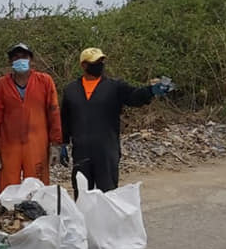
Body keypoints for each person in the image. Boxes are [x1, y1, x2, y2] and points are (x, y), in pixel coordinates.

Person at [61, 47, 172, 195]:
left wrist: (150, 91)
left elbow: (134, 96)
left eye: (101, 61)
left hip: (106, 151)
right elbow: (65, 119)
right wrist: (62, 143)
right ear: (84, 65)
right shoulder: (71, 90)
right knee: (82, 194)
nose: (99, 65)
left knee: (109, 195)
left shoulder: (114, 87)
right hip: (81, 151)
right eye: (95, 62)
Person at [0, 43, 63, 191]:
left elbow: (53, 113)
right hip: (9, 146)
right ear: (10, 61)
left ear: (31, 60)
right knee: (8, 191)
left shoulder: (44, 81)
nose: (20, 59)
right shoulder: (1, 85)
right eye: (16, 57)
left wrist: (55, 144)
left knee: (37, 189)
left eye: (24, 56)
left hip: (37, 145)